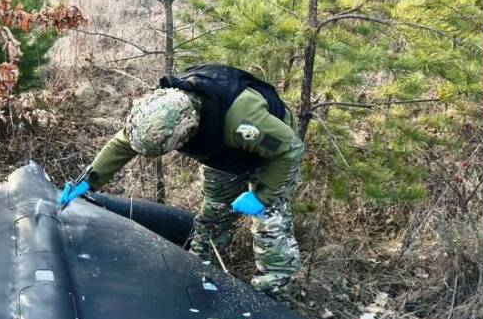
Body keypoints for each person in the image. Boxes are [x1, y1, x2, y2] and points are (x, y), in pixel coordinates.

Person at [59, 65, 304, 299]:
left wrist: (262, 196)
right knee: (213, 216)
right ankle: (200, 275)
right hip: (224, 156)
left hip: (273, 158)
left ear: (187, 131)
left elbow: (289, 150)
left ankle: (273, 296)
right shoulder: (157, 113)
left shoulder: (242, 121)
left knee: (270, 225)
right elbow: (123, 144)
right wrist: (89, 180)